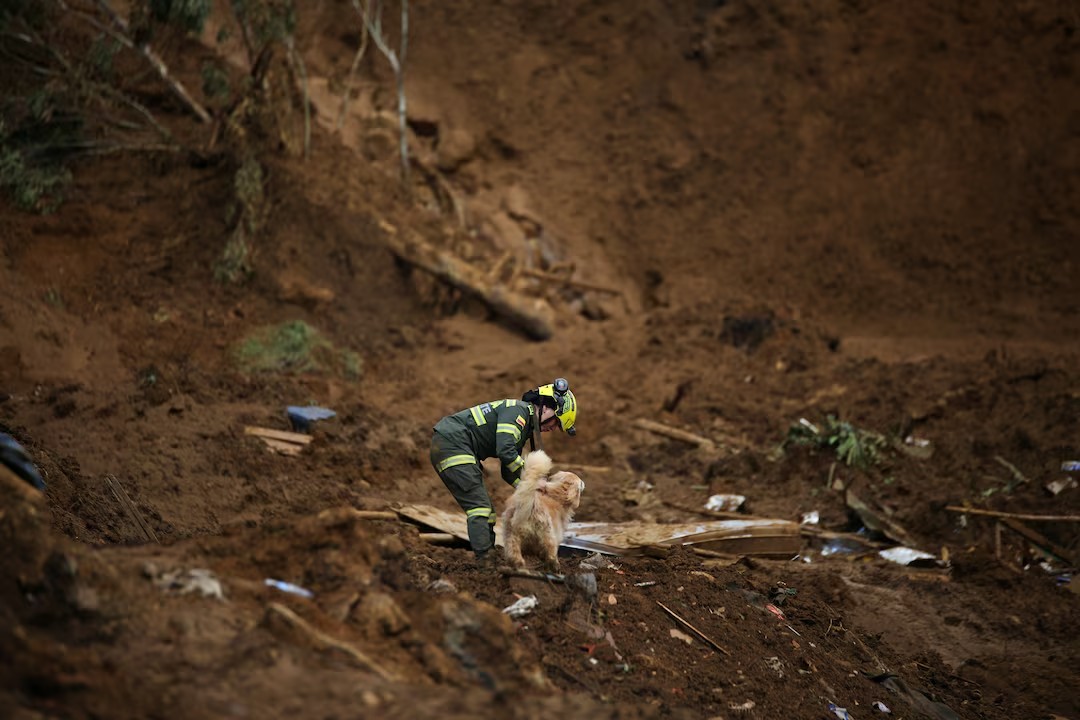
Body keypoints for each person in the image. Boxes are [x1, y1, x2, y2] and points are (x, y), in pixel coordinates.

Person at [429, 378, 577, 564]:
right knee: (480, 509)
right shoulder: (518, 411)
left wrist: (533, 490)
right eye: (556, 422)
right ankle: (486, 562)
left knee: (487, 512)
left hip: (453, 444)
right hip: (453, 444)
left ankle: (488, 557)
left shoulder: (523, 425)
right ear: (547, 407)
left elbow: (508, 471)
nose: (553, 428)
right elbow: (505, 450)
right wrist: (532, 478)